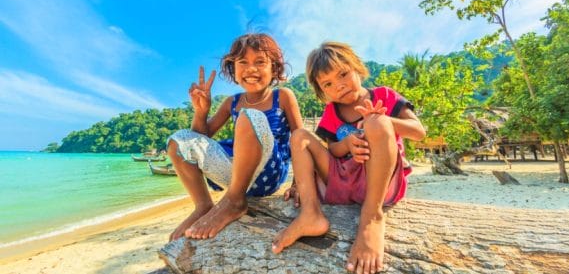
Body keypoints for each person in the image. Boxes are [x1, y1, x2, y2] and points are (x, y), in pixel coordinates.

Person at [272, 42, 426, 274]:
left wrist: (381, 120)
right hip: (343, 183)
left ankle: (372, 216)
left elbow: (419, 132)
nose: (339, 86)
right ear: (322, 91)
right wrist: (346, 144)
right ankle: (310, 213)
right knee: (300, 135)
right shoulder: (330, 113)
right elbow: (332, 150)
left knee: (377, 122)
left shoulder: (384, 96)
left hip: (380, 184)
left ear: (357, 67)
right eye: (328, 84)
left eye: (343, 74)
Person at [167, 33, 303, 241]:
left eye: (260, 62)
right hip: (235, 174)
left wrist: (298, 184)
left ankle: (235, 201)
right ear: (234, 70)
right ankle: (203, 205)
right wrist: (201, 111)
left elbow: (300, 140)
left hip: (269, 173)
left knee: (250, 116)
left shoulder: (282, 96)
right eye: (243, 62)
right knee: (179, 141)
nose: (251, 69)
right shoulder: (232, 101)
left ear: (274, 69)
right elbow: (201, 139)